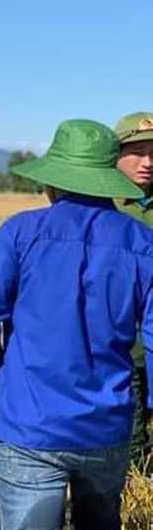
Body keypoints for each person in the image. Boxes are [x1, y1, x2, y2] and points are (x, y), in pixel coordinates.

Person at [0, 119, 153, 530]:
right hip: (107, 423)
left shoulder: (20, 232)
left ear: (52, 180)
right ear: (111, 178)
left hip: (30, 422)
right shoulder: (141, 243)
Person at [114, 111, 153, 471]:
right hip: (121, 346)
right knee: (131, 435)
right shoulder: (100, 207)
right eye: (138, 151)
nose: (148, 162)